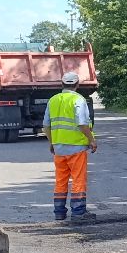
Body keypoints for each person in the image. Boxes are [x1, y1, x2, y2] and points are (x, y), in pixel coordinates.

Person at [44, 71, 97, 222]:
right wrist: (91, 140)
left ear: (62, 84)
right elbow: (82, 123)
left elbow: (46, 125)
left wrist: (52, 142)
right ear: (77, 85)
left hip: (59, 149)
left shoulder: (53, 100)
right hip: (76, 148)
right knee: (78, 180)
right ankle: (78, 212)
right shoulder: (78, 99)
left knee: (61, 180)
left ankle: (59, 212)